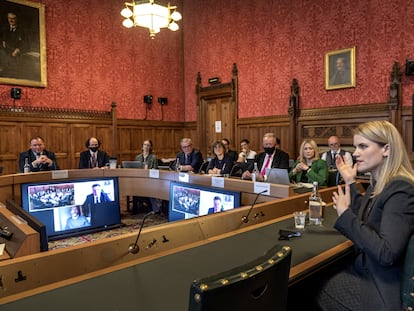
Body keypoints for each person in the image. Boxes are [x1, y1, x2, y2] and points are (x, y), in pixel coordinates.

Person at [316, 120, 414, 310]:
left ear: (386, 149)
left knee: (307, 286)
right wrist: (351, 182)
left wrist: (345, 214)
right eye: (355, 147)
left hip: (379, 287)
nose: (355, 153)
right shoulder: (379, 183)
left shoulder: (401, 188)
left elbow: (386, 253)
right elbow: (368, 215)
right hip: (366, 270)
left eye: (363, 146)